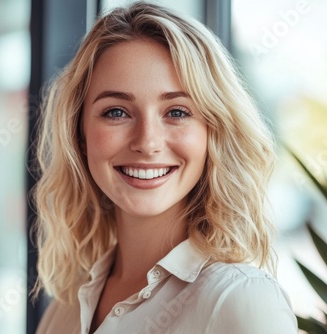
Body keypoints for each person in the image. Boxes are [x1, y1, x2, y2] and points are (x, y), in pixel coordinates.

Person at [33, 2, 297, 333]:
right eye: (116, 112)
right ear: (80, 134)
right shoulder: (65, 308)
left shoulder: (239, 300)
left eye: (176, 112)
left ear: (212, 133)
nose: (147, 142)